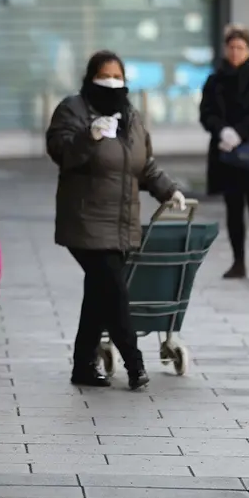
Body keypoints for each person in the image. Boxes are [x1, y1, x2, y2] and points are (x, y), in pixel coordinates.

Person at [46, 51, 187, 390]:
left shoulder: (130, 117)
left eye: (117, 77)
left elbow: (144, 164)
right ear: (90, 78)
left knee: (99, 292)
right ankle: (134, 363)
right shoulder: (73, 110)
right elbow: (60, 151)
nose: (112, 83)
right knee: (115, 291)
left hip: (121, 223)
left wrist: (169, 190)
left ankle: (83, 365)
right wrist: (87, 138)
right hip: (85, 220)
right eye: (104, 76)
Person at [199, 24, 249, 282]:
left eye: (240, 47)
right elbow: (206, 114)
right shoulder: (214, 81)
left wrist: (240, 133)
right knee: (233, 208)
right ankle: (238, 263)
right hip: (226, 154)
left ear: (248, 50)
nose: (235, 52)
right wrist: (222, 131)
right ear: (225, 49)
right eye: (232, 47)